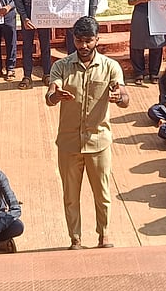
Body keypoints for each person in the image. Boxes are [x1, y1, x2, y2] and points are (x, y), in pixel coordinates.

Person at [46, 16, 128, 249]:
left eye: (88, 41)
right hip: (69, 143)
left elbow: (124, 96)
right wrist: (56, 96)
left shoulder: (110, 67)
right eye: (79, 40)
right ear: (73, 39)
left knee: (102, 194)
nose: (83, 46)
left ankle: (104, 235)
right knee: (71, 195)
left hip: (98, 142)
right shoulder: (61, 66)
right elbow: (50, 96)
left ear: (97, 40)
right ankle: (76, 239)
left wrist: (119, 97)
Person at [127, 0, 165, 84]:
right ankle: (139, 73)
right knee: (137, 44)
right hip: (140, 14)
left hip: (156, 15)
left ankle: (154, 73)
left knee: (156, 44)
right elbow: (130, 1)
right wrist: (141, 0)